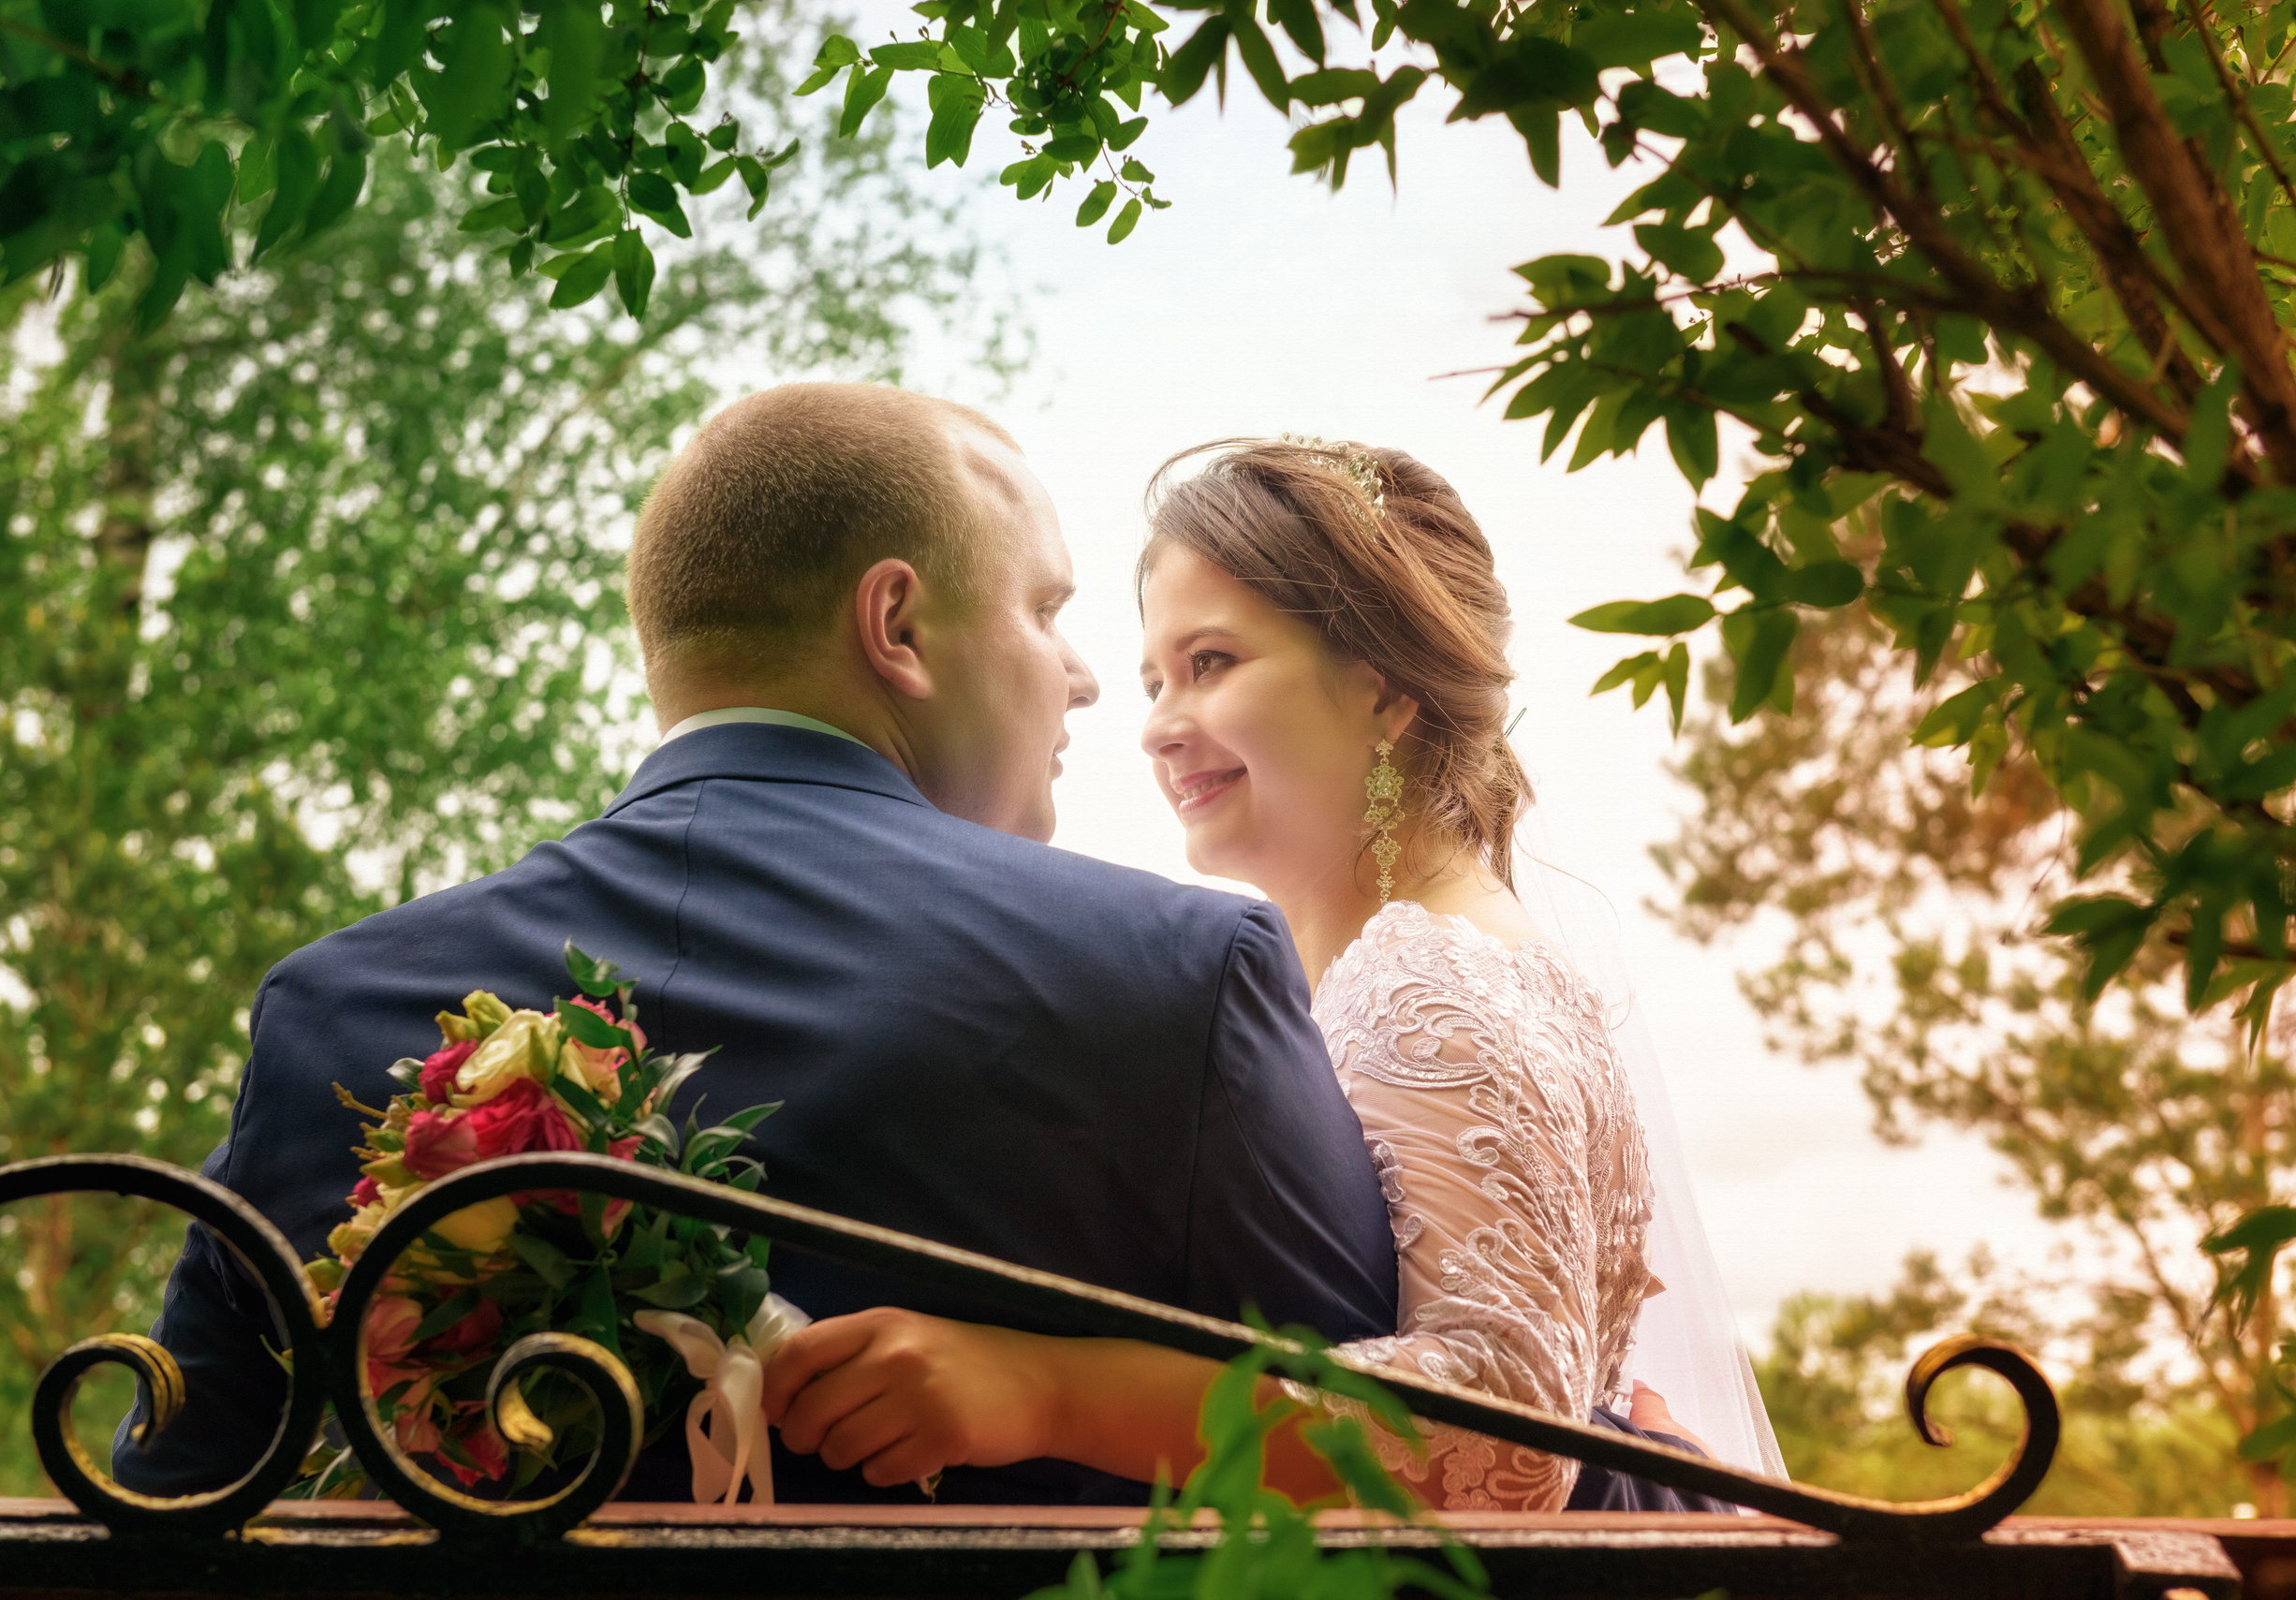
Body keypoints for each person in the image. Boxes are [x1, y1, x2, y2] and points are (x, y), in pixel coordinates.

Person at [111, 390, 1400, 1505]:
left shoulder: (333, 1012)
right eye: (1045, 609)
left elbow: (169, 1503)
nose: (1080, 678)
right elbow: (1399, 1467)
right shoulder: (1174, 972)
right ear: (895, 625)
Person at [758, 439, 1774, 1511]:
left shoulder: (1424, 980)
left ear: (1382, 690)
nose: (1155, 725)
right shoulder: (1430, 953)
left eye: (1212, 663)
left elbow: (1501, 1432)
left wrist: (1046, 1387)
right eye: (1155, 678)